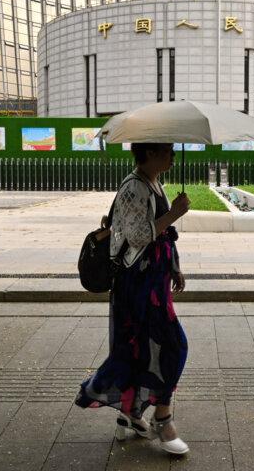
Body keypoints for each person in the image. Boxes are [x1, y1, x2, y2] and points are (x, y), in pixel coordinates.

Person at [74, 142, 192, 455]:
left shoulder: (154, 183)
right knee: (173, 346)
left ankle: (129, 416)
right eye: (167, 149)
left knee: (138, 349)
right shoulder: (132, 187)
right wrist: (175, 214)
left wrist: (175, 268)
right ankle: (162, 417)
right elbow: (139, 236)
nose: (173, 155)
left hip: (154, 282)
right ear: (150, 153)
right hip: (137, 285)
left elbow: (163, 237)